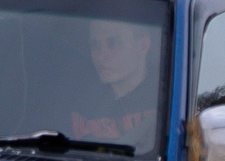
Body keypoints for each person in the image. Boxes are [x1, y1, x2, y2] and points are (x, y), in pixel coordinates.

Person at [68, 17, 160, 148]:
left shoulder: (166, 104)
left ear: (142, 46)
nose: (101, 56)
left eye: (113, 44)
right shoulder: (76, 98)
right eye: (95, 45)